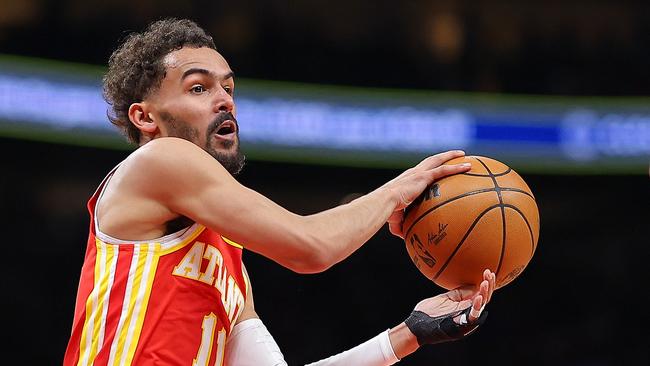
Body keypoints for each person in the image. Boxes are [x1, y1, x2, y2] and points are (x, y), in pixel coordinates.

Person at [64, 18, 496, 366]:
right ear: (145, 117)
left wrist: (409, 334)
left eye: (228, 88)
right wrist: (398, 190)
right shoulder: (160, 160)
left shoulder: (227, 260)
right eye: (199, 87)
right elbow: (311, 247)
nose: (225, 100)